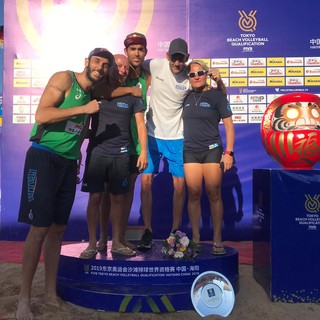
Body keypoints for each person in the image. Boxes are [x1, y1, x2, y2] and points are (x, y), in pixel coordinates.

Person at [16, 48, 113, 320]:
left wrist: (77, 156)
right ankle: (24, 298)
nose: (100, 67)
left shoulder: (93, 95)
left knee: (58, 229)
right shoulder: (65, 79)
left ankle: (49, 293)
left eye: (105, 65)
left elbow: (78, 130)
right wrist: (84, 108)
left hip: (68, 164)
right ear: (87, 62)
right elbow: (42, 115)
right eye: (97, 61)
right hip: (44, 158)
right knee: (39, 229)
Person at [80, 54, 148, 258]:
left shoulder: (134, 97)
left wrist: (143, 150)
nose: (123, 70)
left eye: (126, 67)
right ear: (110, 68)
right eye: (118, 66)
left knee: (119, 199)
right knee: (96, 198)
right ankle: (93, 243)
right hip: (98, 152)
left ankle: (117, 241)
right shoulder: (97, 89)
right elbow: (87, 117)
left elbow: (140, 124)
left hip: (121, 154)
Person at [96, 32, 151, 251]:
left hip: (133, 145)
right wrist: (130, 89)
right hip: (111, 143)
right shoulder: (116, 73)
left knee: (126, 193)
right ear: (125, 52)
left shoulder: (146, 76)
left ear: (145, 52)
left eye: (140, 49)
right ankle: (102, 238)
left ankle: (119, 237)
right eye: (132, 49)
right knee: (107, 193)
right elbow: (103, 91)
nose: (136, 53)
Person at [182, 59, 235, 255]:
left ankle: (217, 240)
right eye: (192, 74)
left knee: (214, 192)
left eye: (200, 73)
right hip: (190, 151)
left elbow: (229, 126)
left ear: (206, 75)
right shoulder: (185, 97)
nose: (196, 77)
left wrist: (228, 152)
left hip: (212, 149)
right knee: (194, 193)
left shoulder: (217, 96)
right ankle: (195, 240)